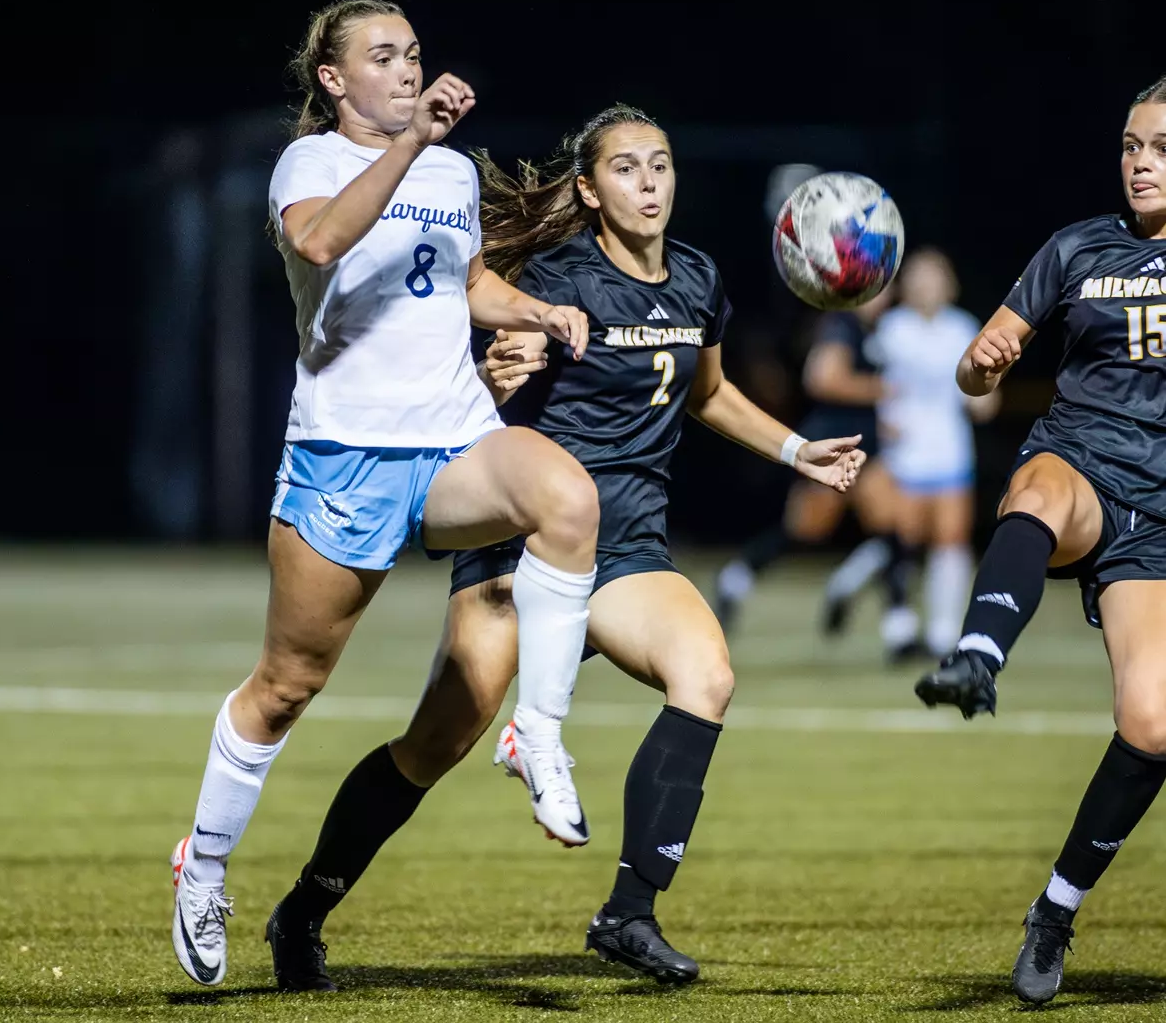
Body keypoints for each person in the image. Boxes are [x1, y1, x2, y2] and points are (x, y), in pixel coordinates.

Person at [260, 105, 866, 991]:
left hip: (628, 548)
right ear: (587, 188)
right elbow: (470, 379)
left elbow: (707, 393)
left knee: (707, 678)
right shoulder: (551, 279)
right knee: (433, 746)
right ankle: (304, 909)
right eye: (626, 168)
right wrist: (492, 372)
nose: (649, 182)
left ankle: (628, 914)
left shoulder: (695, 279)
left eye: (660, 164)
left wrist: (793, 450)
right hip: (525, 545)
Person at [169, 0, 606, 988]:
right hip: (343, 456)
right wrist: (408, 146)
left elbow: (455, 283)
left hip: (451, 440)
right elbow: (322, 243)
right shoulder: (310, 164)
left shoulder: (448, 169)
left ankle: (537, 729)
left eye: (413, 55)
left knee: (565, 497)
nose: (407, 71)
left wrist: (533, 305)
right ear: (332, 78)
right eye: (383, 57)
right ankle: (205, 860)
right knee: (285, 687)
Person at [915, 75, 1166, 1006]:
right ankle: (977, 653)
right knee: (1038, 490)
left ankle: (1056, 906)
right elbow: (978, 368)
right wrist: (978, 364)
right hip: (1086, 460)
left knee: (1152, 725)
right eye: (1132, 146)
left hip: (1162, 516)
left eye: (1160, 149)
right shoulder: (1075, 248)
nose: (1140, 163)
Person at [712, 288, 899, 641]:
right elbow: (823, 378)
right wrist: (881, 389)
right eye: (878, 286)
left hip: (865, 447)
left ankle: (895, 629)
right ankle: (736, 578)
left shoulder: (873, 329)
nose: (884, 295)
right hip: (833, 446)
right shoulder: (843, 323)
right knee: (803, 531)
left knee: (894, 533)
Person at [871, 248, 997, 659]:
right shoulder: (890, 328)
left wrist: (985, 393)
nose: (926, 285)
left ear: (949, 283)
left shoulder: (963, 327)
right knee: (901, 542)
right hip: (903, 453)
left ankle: (944, 634)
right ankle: (899, 628)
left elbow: (982, 395)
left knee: (951, 543)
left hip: (949, 451)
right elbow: (874, 384)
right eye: (918, 277)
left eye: (934, 277)